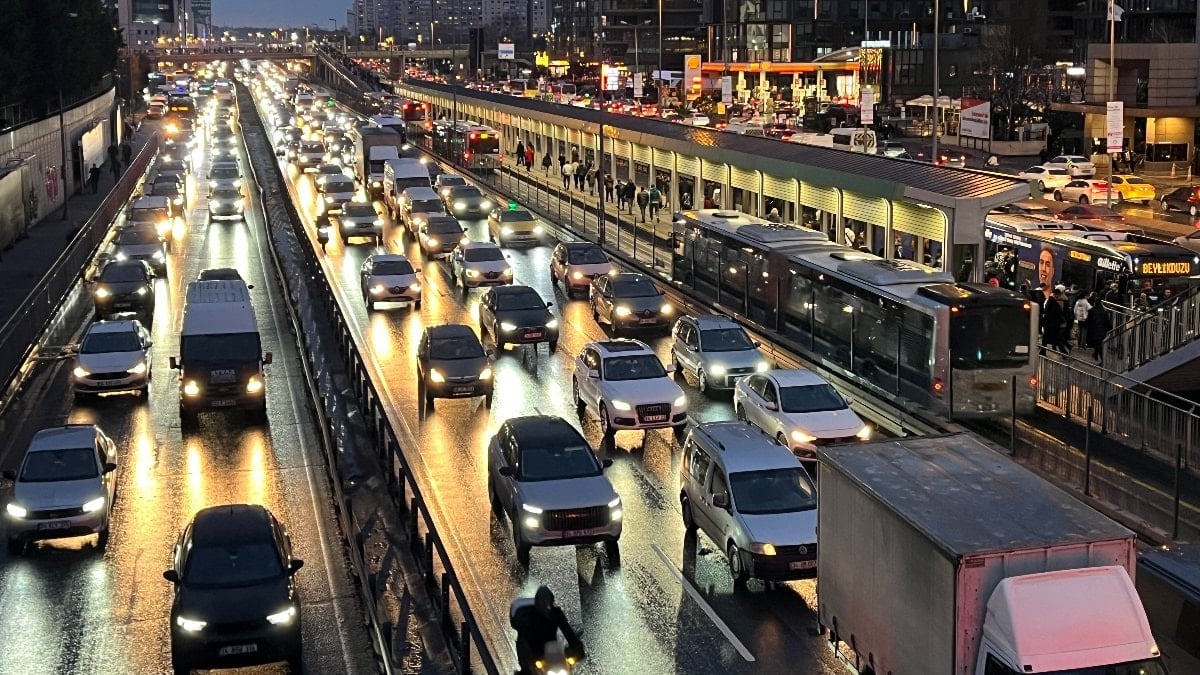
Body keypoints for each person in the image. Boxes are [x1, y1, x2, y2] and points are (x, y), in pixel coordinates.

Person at [511, 586, 584, 675]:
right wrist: (530, 657)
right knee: (527, 671)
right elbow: (525, 636)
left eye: (548, 600)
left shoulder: (556, 614)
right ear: (537, 602)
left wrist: (576, 647)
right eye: (543, 600)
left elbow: (567, 631)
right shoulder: (530, 616)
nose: (546, 604)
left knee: (570, 668)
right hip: (533, 651)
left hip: (553, 653)